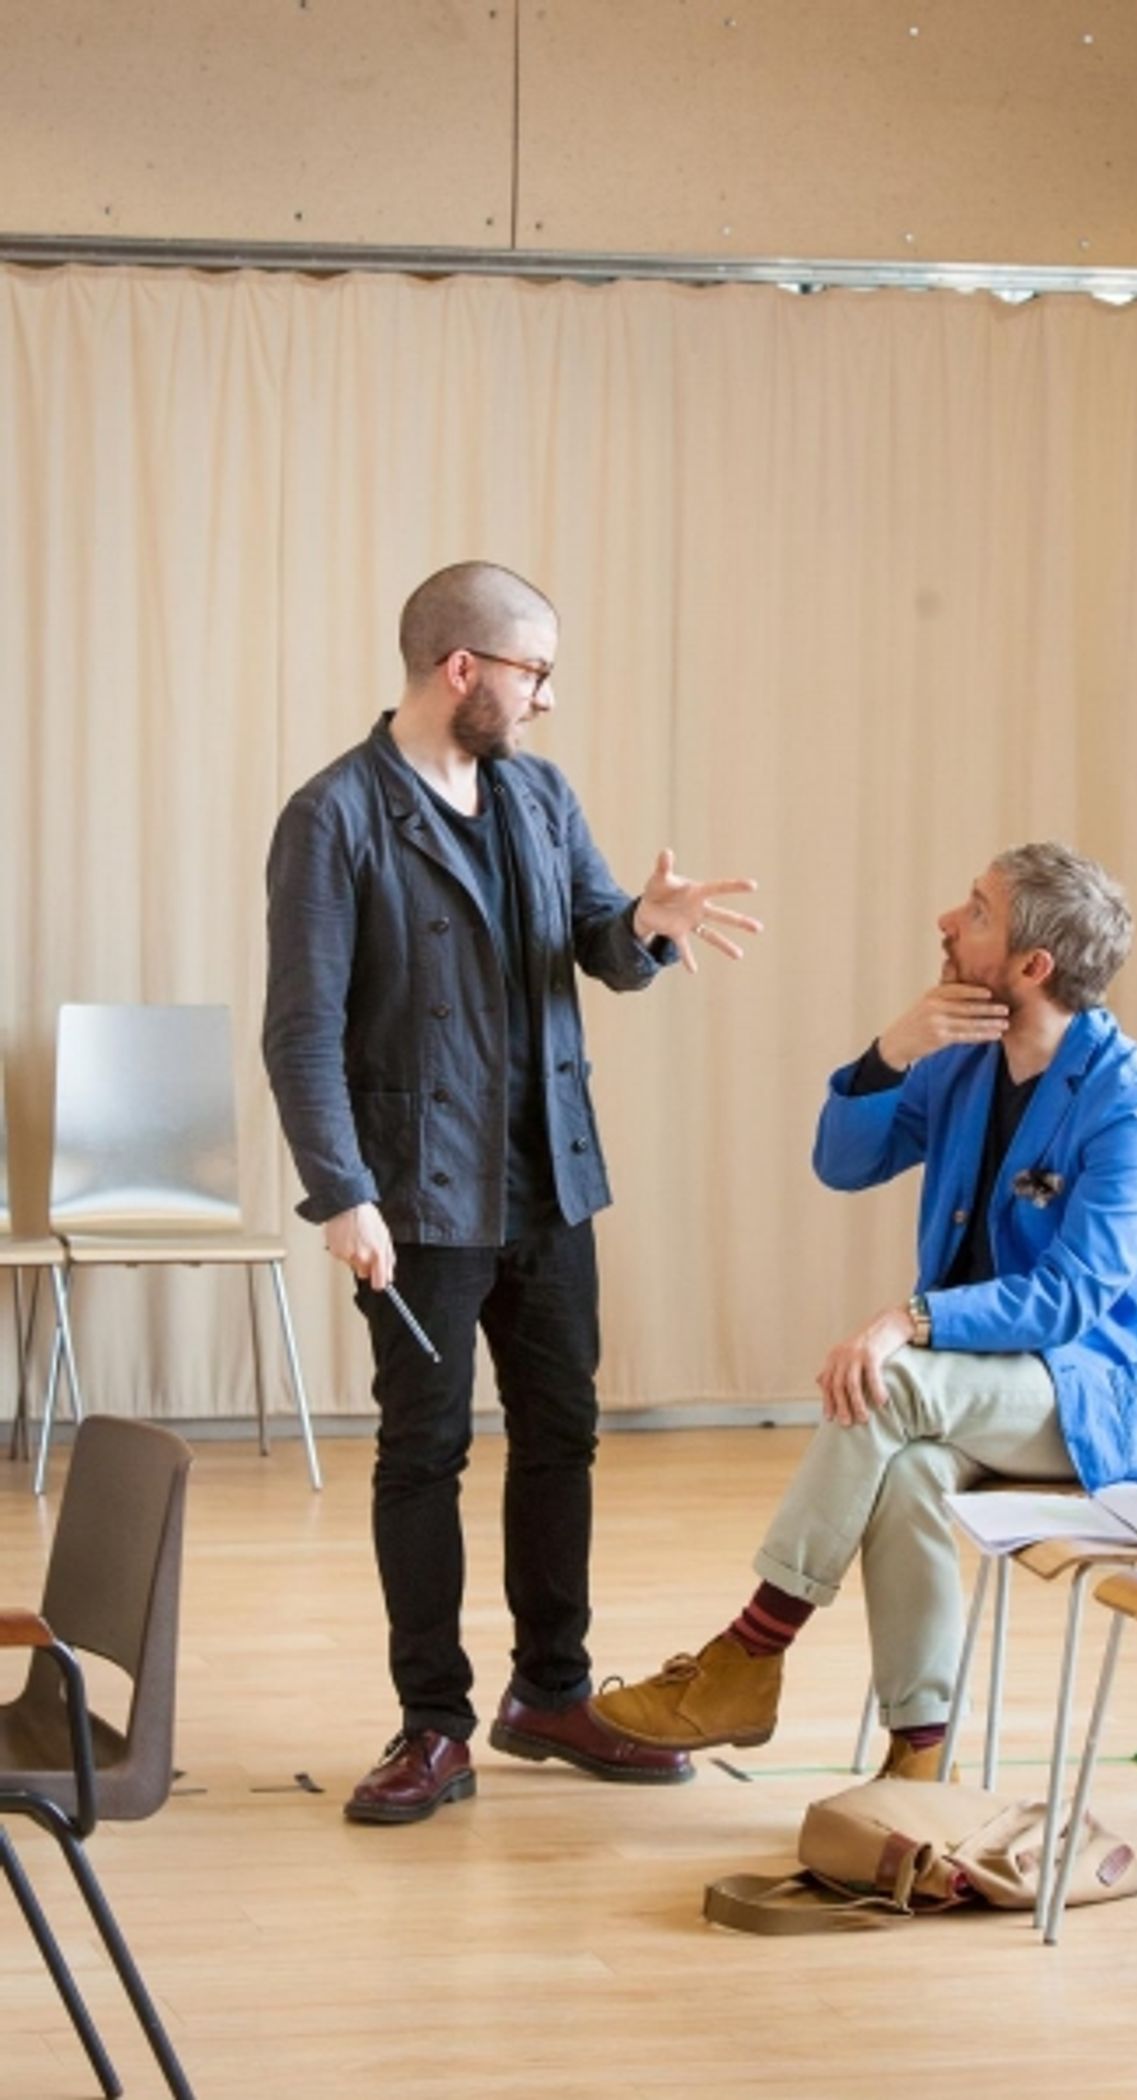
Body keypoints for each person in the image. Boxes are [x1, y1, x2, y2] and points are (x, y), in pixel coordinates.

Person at [263, 559, 761, 1822]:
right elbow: (300, 1033)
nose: (547, 701)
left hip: (548, 1181)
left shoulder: (539, 796)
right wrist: (340, 1194)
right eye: (535, 672)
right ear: (463, 669)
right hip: (416, 1199)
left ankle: (552, 1692)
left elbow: (594, 943)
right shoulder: (333, 817)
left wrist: (646, 923)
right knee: (420, 1452)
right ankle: (431, 1724)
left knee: (562, 1434)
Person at [590, 842, 1137, 1777]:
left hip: (1104, 1394)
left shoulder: (1132, 1103)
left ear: (1031, 966)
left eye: (975, 912)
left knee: (890, 1387)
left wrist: (907, 1322)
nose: (946, 922)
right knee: (915, 1473)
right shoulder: (966, 1061)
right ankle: (919, 1761)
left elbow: (1074, 1298)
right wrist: (893, 1052)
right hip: (997, 1388)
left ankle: (750, 1654)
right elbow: (842, 1164)